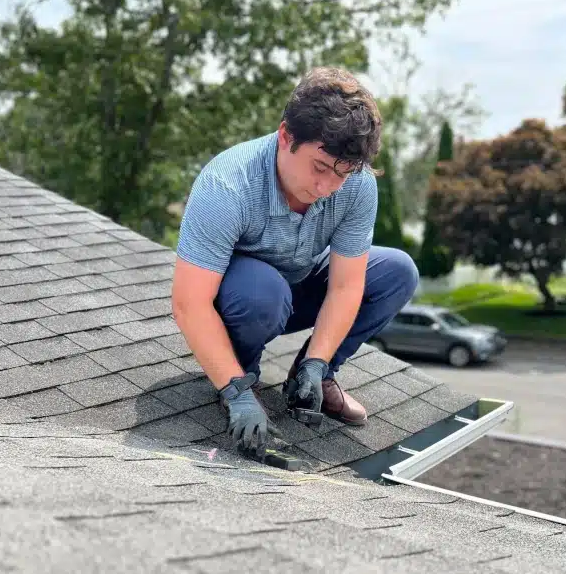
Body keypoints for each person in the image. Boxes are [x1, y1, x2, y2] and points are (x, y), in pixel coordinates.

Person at [171, 66, 419, 455]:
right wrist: (235, 391)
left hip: (301, 282)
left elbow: (345, 285)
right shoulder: (228, 184)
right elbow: (189, 303)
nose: (327, 187)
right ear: (286, 136)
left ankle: (312, 378)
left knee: (398, 272)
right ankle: (240, 377)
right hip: (245, 298)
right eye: (319, 168)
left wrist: (317, 360)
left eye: (343, 174)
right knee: (262, 292)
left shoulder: (356, 184)